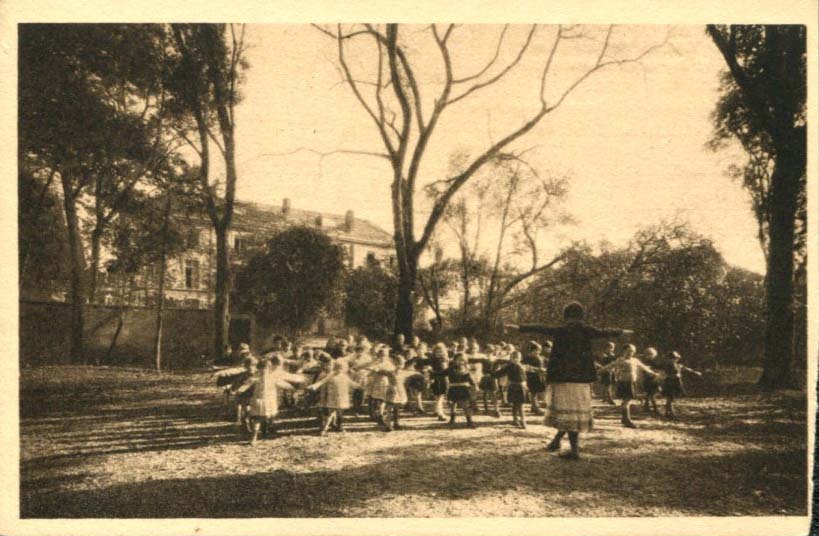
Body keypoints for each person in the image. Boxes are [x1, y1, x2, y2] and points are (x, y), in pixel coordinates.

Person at [506, 301, 633, 460]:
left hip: (562, 377)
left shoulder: (561, 329)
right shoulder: (587, 329)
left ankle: (574, 451)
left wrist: (519, 328)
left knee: (567, 414)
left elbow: (541, 328)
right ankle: (556, 442)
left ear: (566, 316)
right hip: (582, 378)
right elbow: (604, 332)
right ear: (581, 316)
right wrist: (621, 332)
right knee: (573, 414)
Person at [598, 344, 658, 428]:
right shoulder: (620, 360)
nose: (631, 353)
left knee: (626, 401)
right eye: (628, 351)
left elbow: (644, 367)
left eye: (632, 351)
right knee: (627, 401)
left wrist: (653, 373)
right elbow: (609, 366)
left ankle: (624, 418)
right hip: (623, 383)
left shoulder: (635, 360)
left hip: (631, 382)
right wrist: (599, 370)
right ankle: (627, 420)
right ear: (624, 351)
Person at [247, 356, 297, 445]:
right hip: (258, 400)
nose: (263, 370)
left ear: (269, 369)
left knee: (269, 416)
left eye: (265, 368)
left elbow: (283, 384)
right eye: (261, 368)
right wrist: (239, 390)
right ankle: (254, 437)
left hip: (270, 400)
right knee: (257, 418)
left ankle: (267, 430)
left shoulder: (272, 378)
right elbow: (246, 385)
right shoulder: (254, 378)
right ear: (258, 369)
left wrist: (292, 388)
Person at [307, 360, 360, 436]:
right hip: (332, 397)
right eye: (337, 368)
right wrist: (314, 386)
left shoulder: (344, 376)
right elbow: (322, 381)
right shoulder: (330, 375)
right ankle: (324, 429)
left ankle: (339, 426)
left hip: (342, 397)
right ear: (334, 368)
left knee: (340, 414)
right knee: (329, 414)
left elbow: (352, 384)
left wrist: (360, 386)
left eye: (341, 368)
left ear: (344, 369)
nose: (339, 370)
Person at [493, 350, 530, 429]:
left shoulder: (522, 366)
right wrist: (496, 370)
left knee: (520, 405)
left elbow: (525, 377)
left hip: (521, 387)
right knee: (516, 405)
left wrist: (525, 385)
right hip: (513, 386)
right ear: (510, 358)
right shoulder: (509, 367)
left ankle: (518, 420)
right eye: (513, 358)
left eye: (517, 358)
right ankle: (520, 421)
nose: (515, 359)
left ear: (520, 358)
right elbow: (498, 373)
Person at [441, 353, 477, 429]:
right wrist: (432, 373)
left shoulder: (467, 370)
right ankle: (452, 419)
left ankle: (469, 421)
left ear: (466, 361)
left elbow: (471, 380)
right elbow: (441, 374)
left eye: (463, 360)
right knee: (452, 405)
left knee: (465, 406)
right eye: (459, 360)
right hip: (453, 389)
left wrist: (475, 386)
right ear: (454, 361)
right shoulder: (450, 369)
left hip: (464, 389)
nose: (461, 362)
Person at [663, 351, 702, 420]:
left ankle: (667, 412)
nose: (675, 359)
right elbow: (666, 375)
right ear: (669, 359)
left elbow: (686, 368)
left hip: (676, 382)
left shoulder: (677, 365)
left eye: (676, 358)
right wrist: (674, 375)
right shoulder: (668, 366)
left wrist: (695, 372)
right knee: (670, 398)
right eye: (673, 358)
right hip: (670, 382)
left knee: (671, 398)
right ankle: (671, 413)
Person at [523, 341, 547, 416]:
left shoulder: (541, 357)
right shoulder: (528, 358)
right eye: (536, 350)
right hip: (532, 377)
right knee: (533, 392)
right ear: (532, 350)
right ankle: (535, 407)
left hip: (539, 377)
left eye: (539, 350)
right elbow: (525, 366)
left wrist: (544, 369)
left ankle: (535, 406)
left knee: (537, 392)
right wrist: (537, 369)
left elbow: (544, 365)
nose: (538, 352)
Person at [429, 343, 451, 421]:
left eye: (441, 352)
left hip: (443, 379)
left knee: (440, 397)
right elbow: (432, 371)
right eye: (437, 352)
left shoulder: (444, 360)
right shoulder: (434, 361)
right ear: (434, 352)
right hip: (437, 379)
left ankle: (437, 410)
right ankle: (440, 413)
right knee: (439, 397)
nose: (439, 354)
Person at [640, 347, 661, 415]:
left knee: (649, 394)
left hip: (652, 379)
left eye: (651, 354)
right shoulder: (645, 362)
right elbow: (643, 371)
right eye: (648, 354)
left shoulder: (654, 362)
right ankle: (655, 409)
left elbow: (658, 369)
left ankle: (647, 407)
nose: (650, 355)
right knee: (652, 394)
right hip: (649, 379)